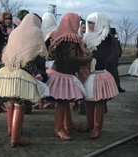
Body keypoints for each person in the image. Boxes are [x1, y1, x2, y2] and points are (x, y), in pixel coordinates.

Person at [0, 13, 49, 147]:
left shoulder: (15, 32)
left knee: (11, 102)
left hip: (6, 71)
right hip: (22, 74)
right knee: (20, 105)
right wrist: (43, 74)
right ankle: (16, 139)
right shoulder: (37, 32)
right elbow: (39, 57)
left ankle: (11, 130)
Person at [47, 12, 91, 140]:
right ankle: (58, 128)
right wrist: (86, 60)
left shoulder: (60, 35)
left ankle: (68, 124)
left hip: (59, 71)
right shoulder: (70, 38)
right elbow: (71, 58)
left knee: (65, 101)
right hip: (64, 74)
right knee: (62, 102)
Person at [81, 12, 119, 139]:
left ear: (99, 23)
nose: (91, 25)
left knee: (99, 102)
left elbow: (115, 53)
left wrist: (105, 63)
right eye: (89, 22)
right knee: (88, 101)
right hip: (88, 74)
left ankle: (97, 127)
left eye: (93, 22)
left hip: (101, 73)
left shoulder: (107, 37)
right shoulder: (85, 37)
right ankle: (89, 124)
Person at [33, 12, 58, 109]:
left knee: (43, 81)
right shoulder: (56, 31)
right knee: (49, 82)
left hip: (46, 61)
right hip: (51, 61)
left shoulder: (45, 32)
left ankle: (41, 102)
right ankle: (50, 101)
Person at [109, 28, 126, 93]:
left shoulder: (114, 41)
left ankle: (116, 87)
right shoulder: (115, 41)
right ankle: (117, 87)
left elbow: (118, 51)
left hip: (113, 60)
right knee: (115, 75)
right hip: (113, 60)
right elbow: (119, 51)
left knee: (114, 75)